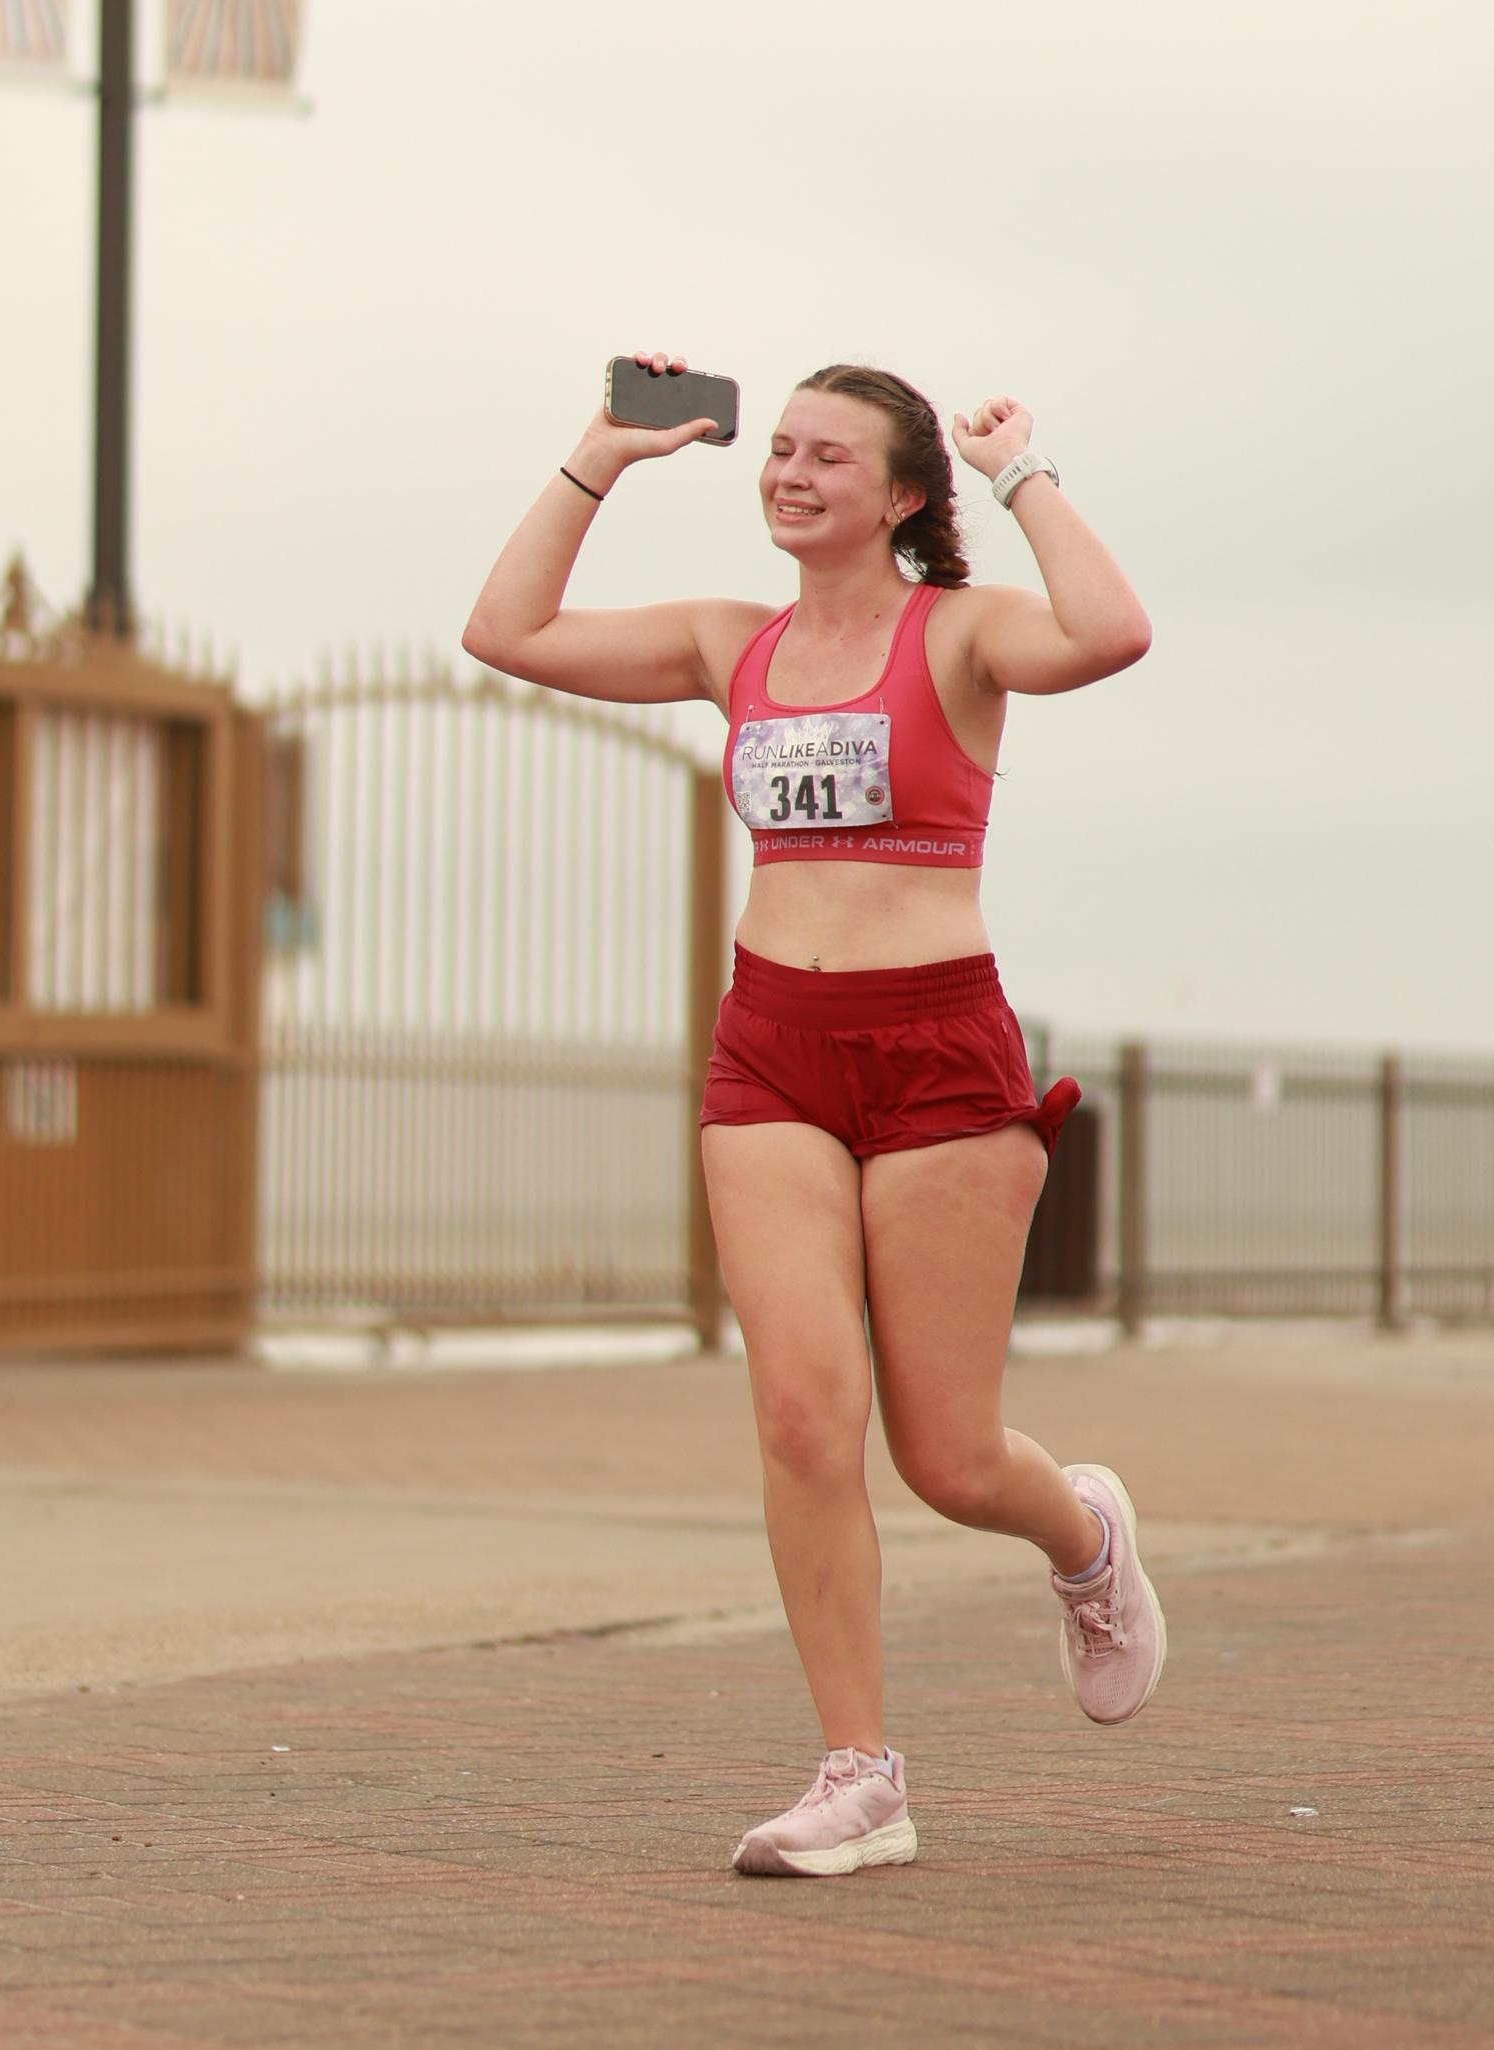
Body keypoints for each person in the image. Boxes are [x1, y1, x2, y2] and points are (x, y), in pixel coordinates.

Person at [463, 352, 1160, 1877]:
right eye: (779, 450)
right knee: (798, 1411)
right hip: (773, 1051)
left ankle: (1084, 1537)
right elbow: (504, 631)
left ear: (901, 494)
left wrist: (1021, 474)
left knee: (949, 1459)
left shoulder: (961, 631)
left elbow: (1111, 631)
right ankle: (861, 1774)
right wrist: (602, 455)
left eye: (827, 456)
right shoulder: (735, 643)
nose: (789, 473)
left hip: (936, 1057)